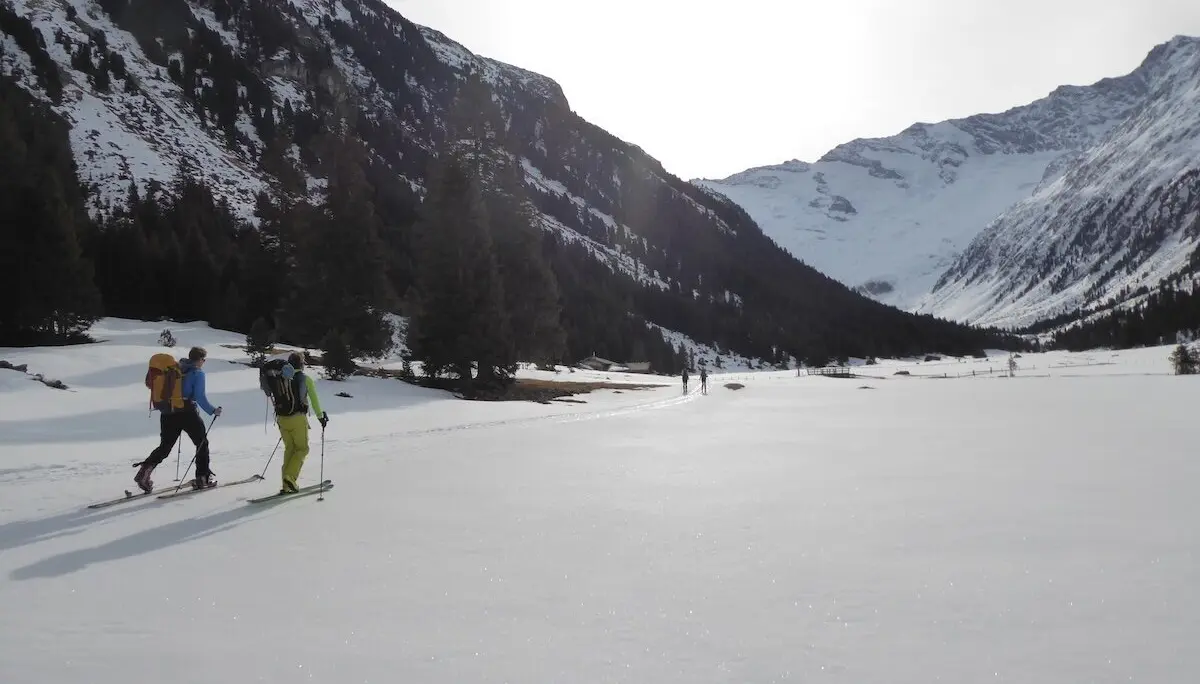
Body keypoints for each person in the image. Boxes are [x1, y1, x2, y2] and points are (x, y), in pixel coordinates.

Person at [135, 346, 222, 492]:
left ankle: (144, 472)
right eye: (203, 359)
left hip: (168, 412)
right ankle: (203, 477)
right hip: (187, 412)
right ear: (200, 359)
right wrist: (213, 410)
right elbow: (200, 396)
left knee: (165, 446)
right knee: (201, 443)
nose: (203, 362)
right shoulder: (197, 373)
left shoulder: (175, 368)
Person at [270, 352, 328, 494]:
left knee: (290, 448)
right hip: (297, 418)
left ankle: (285, 484)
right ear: (302, 364)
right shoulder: (305, 379)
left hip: (281, 419)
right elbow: (314, 400)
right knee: (302, 449)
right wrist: (321, 417)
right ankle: (290, 478)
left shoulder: (281, 377)